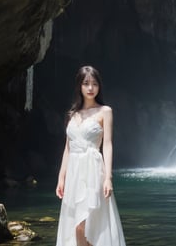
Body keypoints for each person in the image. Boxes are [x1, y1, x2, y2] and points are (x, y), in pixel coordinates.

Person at [55, 65, 126, 246]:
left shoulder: (105, 111)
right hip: (74, 173)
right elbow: (68, 148)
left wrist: (108, 178)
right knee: (75, 225)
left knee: (89, 224)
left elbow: (108, 145)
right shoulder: (72, 114)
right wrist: (61, 177)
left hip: (94, 171)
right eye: (86, 83)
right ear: (79, 86)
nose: (90, 88)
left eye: (94, 84)